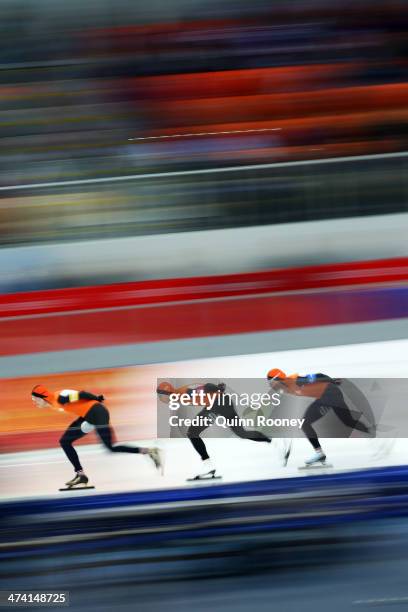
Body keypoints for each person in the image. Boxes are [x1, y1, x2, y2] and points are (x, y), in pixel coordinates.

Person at [31, 384, 162, 488]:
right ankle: (81, 475)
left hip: (97, 412)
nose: (34, 403)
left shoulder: (60, 397)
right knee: (65, 442)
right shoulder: (53, 403)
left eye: (35, 400)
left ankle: (149, 451)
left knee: (110, 447)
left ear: (41, 397)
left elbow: (81, 394)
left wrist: (97, 398)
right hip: (87, 416)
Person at [158, 381, 271, 480]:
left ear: (167, 393)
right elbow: (203, 389)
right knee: (242, 433)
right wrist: (218, 389)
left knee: (192, 433)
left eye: (160, 396)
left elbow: (204, 387)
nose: (160, 399)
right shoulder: (178, 395)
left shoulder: (181, 393)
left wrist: (216, 388)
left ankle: (208, 465)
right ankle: (271, 440)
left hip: (217, 403)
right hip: (221, 402)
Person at [267, 369, 373, 465]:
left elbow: (318, 375)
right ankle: (371, 431)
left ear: (278, 379)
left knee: (305, 423)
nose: (271, 385)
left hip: (328, 395)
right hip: (328, 395)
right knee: (348, 421)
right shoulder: (284, 388)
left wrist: (331, 380)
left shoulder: (295, 381)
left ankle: (320, 454)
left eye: (271, 382)